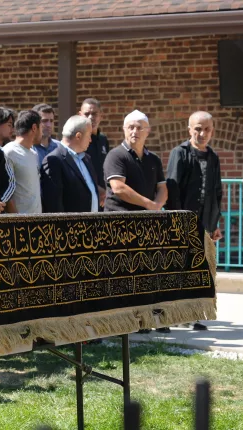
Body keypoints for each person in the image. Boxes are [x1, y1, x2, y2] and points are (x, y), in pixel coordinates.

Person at [103, 110, 168, 334]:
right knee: (123, 274)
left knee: (144, 273)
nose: (134, 131)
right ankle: (123, 323)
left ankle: (143, 319)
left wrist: (157, 205)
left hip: (146, 224)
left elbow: (162, 188)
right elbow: (118, 188)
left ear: (147, 131)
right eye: (130, 126)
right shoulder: (116, 156)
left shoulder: (153, 159)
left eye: (139, 127)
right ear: (124, 130)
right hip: (120, 223)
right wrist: (149, 205)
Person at [166, 111, 223, 331]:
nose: (202, 133)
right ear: (189, 129)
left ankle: (192, 315)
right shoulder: (179, 153)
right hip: (182, 222)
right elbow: (173, 190)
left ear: (212, 131)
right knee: (180, 269)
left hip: (205, 222)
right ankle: (175, 315)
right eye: (198, 128)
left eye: (207, 129)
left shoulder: (213, 157)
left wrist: (215, 223)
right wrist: (177, 223)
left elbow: (217, 191)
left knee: (199, 270)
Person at [41, 115, 100, 213]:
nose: (90, 140)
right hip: (71, 222)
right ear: (78, 136)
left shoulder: (86, 158)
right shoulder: (54, 160)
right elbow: (54, 204)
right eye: (89, 135)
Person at [3, 110, 42, 214]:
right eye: (41, 127)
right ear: (34, 128)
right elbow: (5, 190)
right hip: (19, 222)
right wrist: (17, 219)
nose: (42, 133)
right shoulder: (9, 152)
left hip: (37, 220)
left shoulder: (34, 154)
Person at [80, 98, 109, 196]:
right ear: (80, 115)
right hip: (85, 193)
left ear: (101, 116)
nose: (90, 117)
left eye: (94, 114)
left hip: (103, 196)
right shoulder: (78, 140)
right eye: (86, 114)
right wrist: (96, 188)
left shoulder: (103, 139)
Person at [32, 104, 60, 168]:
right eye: (44, 121)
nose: (49, 125)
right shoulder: (28, 148)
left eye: (51, 121)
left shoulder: (59, 147)